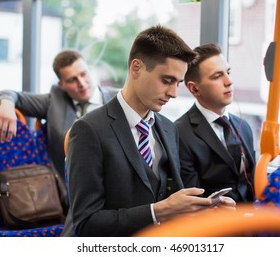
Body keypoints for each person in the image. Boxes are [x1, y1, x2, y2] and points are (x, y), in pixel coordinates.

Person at [62, 25, 235, 237]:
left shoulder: (169, 128)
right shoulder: (88, 130)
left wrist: (205, 210)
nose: (172, 93)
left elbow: (175, 203)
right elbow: (86, 223)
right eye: (167, 80)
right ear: (136, 68)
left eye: (178, 84)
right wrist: (158, 211)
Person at [0, 49, 118, 182]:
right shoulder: (54, 101)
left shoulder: (118, 99)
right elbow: (8, 94)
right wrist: (6, 105)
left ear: (89, 70)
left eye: (83, 74)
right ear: (61, 85)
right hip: (69, 189)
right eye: (72, 80)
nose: (81, 83)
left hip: (112, 180)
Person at [175, 43, 256, 203]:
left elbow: (250, 180)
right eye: (217, 76)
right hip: (212, 224)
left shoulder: (244, 126)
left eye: (228, 72)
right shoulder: (179, 133)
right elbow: (192, 199)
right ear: (194, 89)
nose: (229, 81)